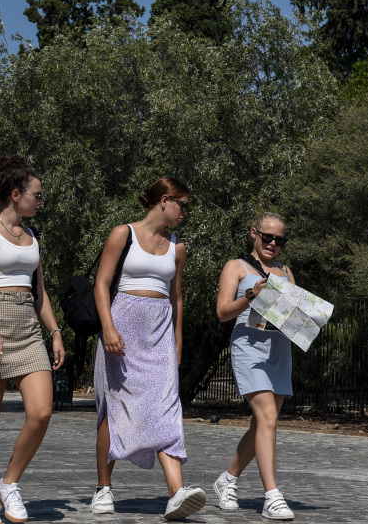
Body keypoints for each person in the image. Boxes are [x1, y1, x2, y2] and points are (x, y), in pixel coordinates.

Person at [89, 178, 205, 521]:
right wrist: (108, 328)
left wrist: (177, 340)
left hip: (160, 333)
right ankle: (103, 488)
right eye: (184, 205)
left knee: (167, 407)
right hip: (122, 328)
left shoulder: (177, 247)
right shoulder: (122, 234)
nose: (186, 212)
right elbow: (101, 284)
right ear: (165, 200)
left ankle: (177, 492)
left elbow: (176, 297)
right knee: (115, 407)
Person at [0, 155, 65, 524]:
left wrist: (55, 332)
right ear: (16, 194)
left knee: (41, 412)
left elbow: (40, 292)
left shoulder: (32, 237)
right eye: (37, 195)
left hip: (28, 326)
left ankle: (8, 484)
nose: (41, 201)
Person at [210, 212, 296, 521]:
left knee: (262, 424)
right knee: (268, 417)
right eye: (268, 237)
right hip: (249, 349)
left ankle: (228, 479)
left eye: (279, 240)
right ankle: (272, 496)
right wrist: (252, 295)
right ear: (254, 233)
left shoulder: (285, 271)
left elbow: (292, 315)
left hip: (279, 350)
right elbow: (222, 312)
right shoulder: (236, 267)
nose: (273, 243)